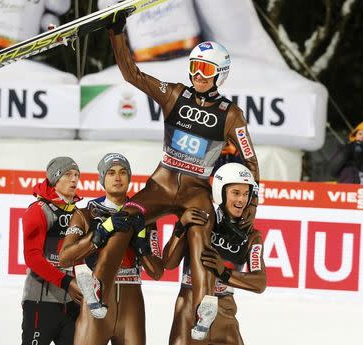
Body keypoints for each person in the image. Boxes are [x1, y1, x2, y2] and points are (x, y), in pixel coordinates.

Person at [77, 14, 260, 341]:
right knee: (124, 220)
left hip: (195, 190)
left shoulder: (231, 114)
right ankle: (98, 286)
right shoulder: (175, 94)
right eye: (194, 68)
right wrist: (117, 33)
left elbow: (251, 161)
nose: (198, 76)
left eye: (206, 70)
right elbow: (131, 74)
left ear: (220, 74)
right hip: (161, 185)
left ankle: (205, 305)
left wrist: (251, 207)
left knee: (201, 232)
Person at [59, 153, 164, 345]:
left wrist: (142, 247)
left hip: (131, 306)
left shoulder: (145, 218)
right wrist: (98, 234)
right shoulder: (84, 214)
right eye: (111, 173)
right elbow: (64, 258)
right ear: (102, 179)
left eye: (123, 172)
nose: (117, 178)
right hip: (95, 303)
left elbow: (157, 271)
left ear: (130, 178)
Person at [163, 162, 266, 344]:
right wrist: (180, 227)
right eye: (236, 193)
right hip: (188, 310)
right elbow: (169, 263)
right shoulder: (199, 221)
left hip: (225, 313)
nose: (241, 200)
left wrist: (225, 272)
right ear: (220, 192)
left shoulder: (252, 236)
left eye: (245, 194)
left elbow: (260, 283)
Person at [21, 157, 83, 345]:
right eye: (68, 174)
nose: (74, 180)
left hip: (72, 304)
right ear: (55, 179)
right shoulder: (38, 210)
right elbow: (32, 258)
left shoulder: (79, 214)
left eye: (76, 175)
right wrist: (66, 282)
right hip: (41, 302)